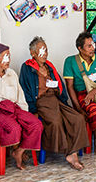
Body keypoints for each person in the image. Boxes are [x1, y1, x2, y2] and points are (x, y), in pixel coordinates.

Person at [19, 37, 89, 170]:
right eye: (41, 50)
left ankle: (72, 152)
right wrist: (32, 109)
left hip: (56, 99)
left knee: (77, 118)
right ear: (33, 53)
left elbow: (60, 85)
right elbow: (24, 89)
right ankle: (70, 154)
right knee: (56, 121)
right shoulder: (27, 67)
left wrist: (63, 102)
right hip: (41, 101)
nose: (45, 53)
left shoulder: (49, 66)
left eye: (46, 50)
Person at [0, 43, 43, 170]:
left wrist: (25, 114)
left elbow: (20, 95)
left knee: (36, 124)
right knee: (15, 128)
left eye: (9, 56)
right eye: (5, 57)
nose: (9, 60)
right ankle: (17, 149)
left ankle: (18, 151)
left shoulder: (11, 73)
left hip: (14, 108)